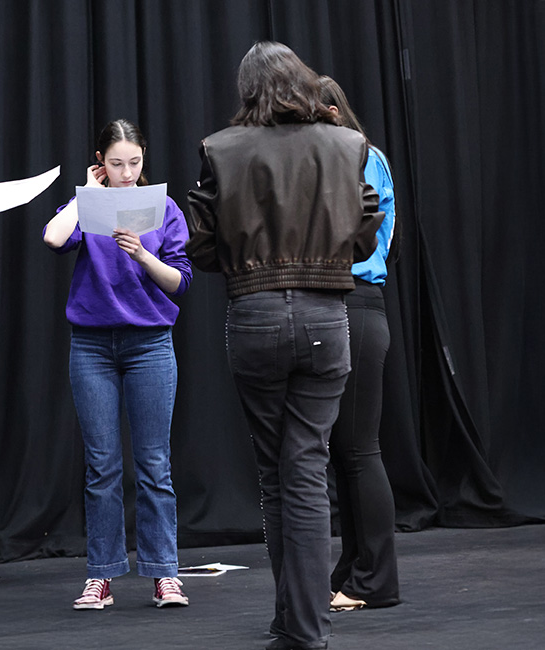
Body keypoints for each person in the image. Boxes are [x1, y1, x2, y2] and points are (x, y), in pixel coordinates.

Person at [186, 42, 383, 650]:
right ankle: (298, 624)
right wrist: (325, 261)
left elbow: (200, 245)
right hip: (327, 316)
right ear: (301, 82)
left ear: (247, 90)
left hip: (255, 318)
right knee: (304, 470)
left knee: (280, 476)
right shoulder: (349, 146)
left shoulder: (221, 149)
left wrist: (248, 267)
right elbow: (367, 232)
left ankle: (299, 627)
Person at [43, 119, 193, 610]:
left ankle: (164, 575)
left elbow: (180, 282)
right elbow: (51, 237)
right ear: (100, 163)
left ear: (144, 159)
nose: (126, 173)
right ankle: (101, 576)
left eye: (133, 162)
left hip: (149, 344)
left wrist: (143, 258)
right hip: (92, 346)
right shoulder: (89, 206)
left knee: (154, 464)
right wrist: (87, 193)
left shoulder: (164, 208)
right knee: (101, 466)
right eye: (115, 164)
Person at [318, 75, 400, 612]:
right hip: (344, 305)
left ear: (330, 112)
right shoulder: (357, 156)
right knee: (346, 452)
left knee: (360, 449)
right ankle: (353, 568)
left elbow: (363, 236)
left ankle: (377, 579)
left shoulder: (361, 158)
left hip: (357, 303)